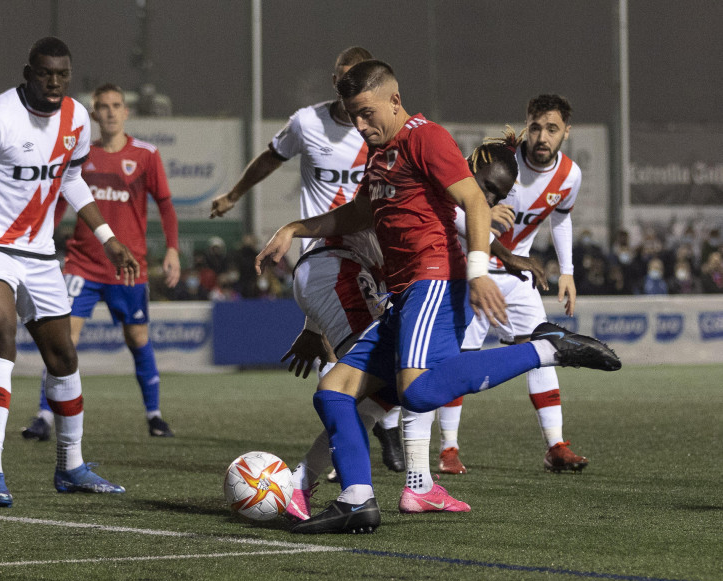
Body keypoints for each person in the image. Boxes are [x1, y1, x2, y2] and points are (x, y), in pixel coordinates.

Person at [256, 60, 620, 534]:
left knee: (418, 391)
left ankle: (549, 348)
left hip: (434, 281)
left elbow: (472, 202)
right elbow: (359, 213)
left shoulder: (425, 137)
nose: (360, 126)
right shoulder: (380, 152)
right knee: (333, 392)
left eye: (367, 114)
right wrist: (293, 228)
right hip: (403, 294)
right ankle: (358, 500)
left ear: (394, 99)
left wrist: (479, 272)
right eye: (353, 115)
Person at [283, 131, 546, 521]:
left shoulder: (421, 175)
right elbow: (457, 215)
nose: (488, 200)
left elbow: (457, 216)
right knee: (388, 385)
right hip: (347, 271)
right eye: (487, 189)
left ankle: (323, 481)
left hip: (368, 278)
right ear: (467, 168)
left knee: (370, 392)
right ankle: (328, 482)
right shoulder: (430, 178)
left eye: (498, 196)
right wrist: (498, 252)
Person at [0, 37, 139, 508]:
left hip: (39, 252)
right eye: (45, 73)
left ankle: (71, 466)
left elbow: (71, 178)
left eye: (62, 75)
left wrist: (110, 239)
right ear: (29, 71)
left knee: (63, 357)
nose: (54, 83)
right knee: (2, 335)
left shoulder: (77, 120)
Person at [210, 46, 406, 471]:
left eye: (354, 77)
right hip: (325, 251)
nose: (344, 84)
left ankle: (366, 443)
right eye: (339, 77)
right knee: (361, 360)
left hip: (378, 255)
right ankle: (345, 463)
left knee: (382, 356)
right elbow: (270, 158)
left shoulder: (381, 128)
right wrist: (234, 194)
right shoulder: (306, 122)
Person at [437, 95, 591, 476]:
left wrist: (567, 271)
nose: (541, 136)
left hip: (516, 274)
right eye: (535, 126)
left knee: (542, 348)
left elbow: (561, 219)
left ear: (566, 133)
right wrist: (483, 213)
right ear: (527, 123)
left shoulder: (570, 176)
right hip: (473, 270)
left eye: (552, 129)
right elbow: (452, 204)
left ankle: (555, 446)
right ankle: (448, 450)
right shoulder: (497, 160)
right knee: (460, 360)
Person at [21, 82, 180, 441]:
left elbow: (166, 205)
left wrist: (172, 250)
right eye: (103, 106)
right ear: (93, 114)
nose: (109, 112)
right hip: (83, 264)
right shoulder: (81, 155)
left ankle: (154, 415)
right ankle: (44, 416)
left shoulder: (145, 154)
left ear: (126, 112)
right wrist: (39, 235)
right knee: (62, 339)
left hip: (128, 266)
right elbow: (61, 201)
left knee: (137, 338)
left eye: (116, 105)